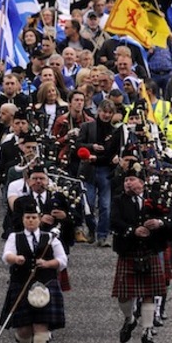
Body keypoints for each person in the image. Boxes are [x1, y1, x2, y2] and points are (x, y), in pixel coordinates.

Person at [111, 167, 172, 343]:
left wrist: (159, 222)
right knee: (123, 295)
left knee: (149, 294)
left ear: (141, 183)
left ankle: (147, 332)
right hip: (128, 250)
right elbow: (114, 221)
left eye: (131, 179)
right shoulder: (119, 200)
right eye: (126, 180)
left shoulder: (155, 197)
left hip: (150, 250)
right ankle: (130, 319)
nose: (127, 183)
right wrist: (133, 231)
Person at [0, 204, 67, 343]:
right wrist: (16, 259)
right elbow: (6, 255)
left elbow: (63, 260)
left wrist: (47, 263)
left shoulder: (50, 237)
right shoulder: (14, 237)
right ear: (23, 220)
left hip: (46, 285)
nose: (30, 220)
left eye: (34, 217)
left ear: (39, 219)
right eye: (27, 218)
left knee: (41, 326)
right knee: (24, 330)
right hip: (21, 284)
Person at [77, 99, 117, 246]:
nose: (106, 115)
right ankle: (92, 229)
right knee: (87, 203)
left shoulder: (115, 131)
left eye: (110, 112)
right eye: (104, 112)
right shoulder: (87, 127)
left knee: (105, 205)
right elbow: (78, 145)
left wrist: (115, 157)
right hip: (89, 169)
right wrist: (91, 147)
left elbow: (116, 150)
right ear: (98, 111)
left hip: (105, 169)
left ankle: (102, 235)